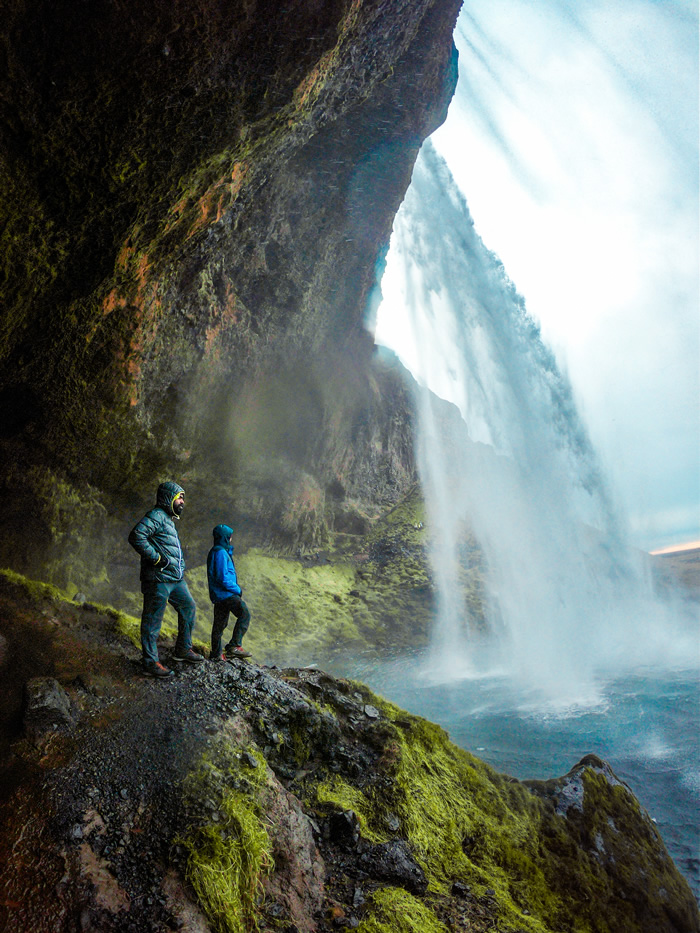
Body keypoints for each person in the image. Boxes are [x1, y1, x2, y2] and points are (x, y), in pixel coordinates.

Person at [128, 481, 204, 677]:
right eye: (179, 497)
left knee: (188, 607)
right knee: (153, 621)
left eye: (183, 498)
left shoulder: (168, 519)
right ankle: (150, 662)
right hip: (158, 578)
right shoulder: (157, 516)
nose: (182, 502)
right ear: (167, 498)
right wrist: (158, 559)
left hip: (175, 579)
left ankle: (182, 650)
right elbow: (137, 535)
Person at [207, 524, 252, 661]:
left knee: (219, 625)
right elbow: (222, 577)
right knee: (244, 613)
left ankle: (216, 654)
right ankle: (234, 646)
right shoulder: (220, 552)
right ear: (225, 538)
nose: (231, 539)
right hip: (226, 594)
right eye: (229, 536)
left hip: (219, 595)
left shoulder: (217, 551)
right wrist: (237, 589)